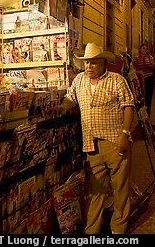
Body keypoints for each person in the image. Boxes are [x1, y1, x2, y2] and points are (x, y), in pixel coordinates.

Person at [55, 42, 135, 234]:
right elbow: (70, 97)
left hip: (115, 143)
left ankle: (118, 228)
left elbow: (128, 106)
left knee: (120, 189)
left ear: (103, 63)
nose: (88, 66)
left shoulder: (116, 80)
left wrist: (124, 134)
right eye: (86, 63)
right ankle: (92, 231)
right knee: (94, 191)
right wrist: (62, 107)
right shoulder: (79, 80)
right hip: (91, 146)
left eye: (93, 63)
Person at [133, 43, 155, 118]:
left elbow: (153, 66)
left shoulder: (150, 57)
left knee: (148, 98)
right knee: (140, 98)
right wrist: (146, 67)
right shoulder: (136, 58)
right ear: (140, 49)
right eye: (143, 48)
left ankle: (147, 115)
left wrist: (142, 67)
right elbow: (135, 67)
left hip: (149, 79)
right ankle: (140, 116)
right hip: (140, 80)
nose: (145, 50)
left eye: (146, 48)